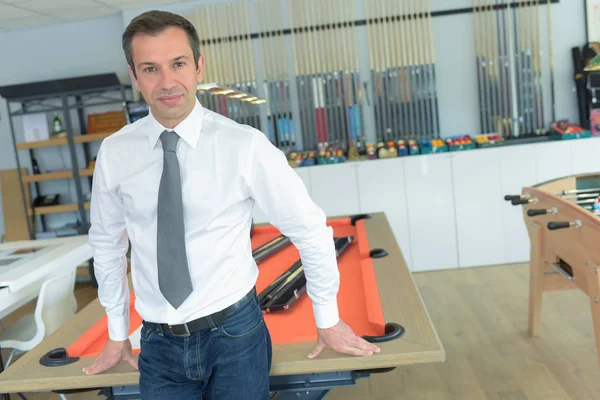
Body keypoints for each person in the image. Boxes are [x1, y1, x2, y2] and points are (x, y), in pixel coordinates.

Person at [84, 9, 380, 399]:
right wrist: (117, 332)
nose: (168, 82)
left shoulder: (245, 146)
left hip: (236, 336)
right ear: (134, 77)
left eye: (178, 64)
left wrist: (327, 318)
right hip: (157, 343)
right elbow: (106, 244)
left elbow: (309, 229)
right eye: (151, 69)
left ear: (199, 66)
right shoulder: (115, 152)